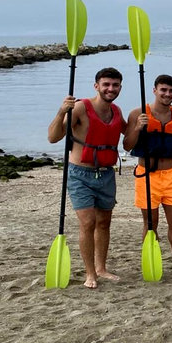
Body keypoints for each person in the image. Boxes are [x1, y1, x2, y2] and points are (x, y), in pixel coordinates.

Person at [47, 67, 127, 288]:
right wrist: (62, 111)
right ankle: (90, 273)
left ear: (120, 87)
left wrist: (140, 126)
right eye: (106, 85)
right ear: (96, 86)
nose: (111, 89)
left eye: (115, 85)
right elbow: (53, 137)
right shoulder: (80, 108)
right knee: (88, 223)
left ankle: (101, 268)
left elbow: (129, 142)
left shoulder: (117, 112)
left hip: (106, 174)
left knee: (104, 223)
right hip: (80, 174)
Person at [123, 74, 172, 277]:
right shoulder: (138, 113)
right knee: (151, 224)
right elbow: (127, 145)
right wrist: (138, 127)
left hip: (171, 174)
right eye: (163, 90)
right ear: (154, 90)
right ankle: (151, 261)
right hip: (146, 175)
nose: (167, 94)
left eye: (171, 91)